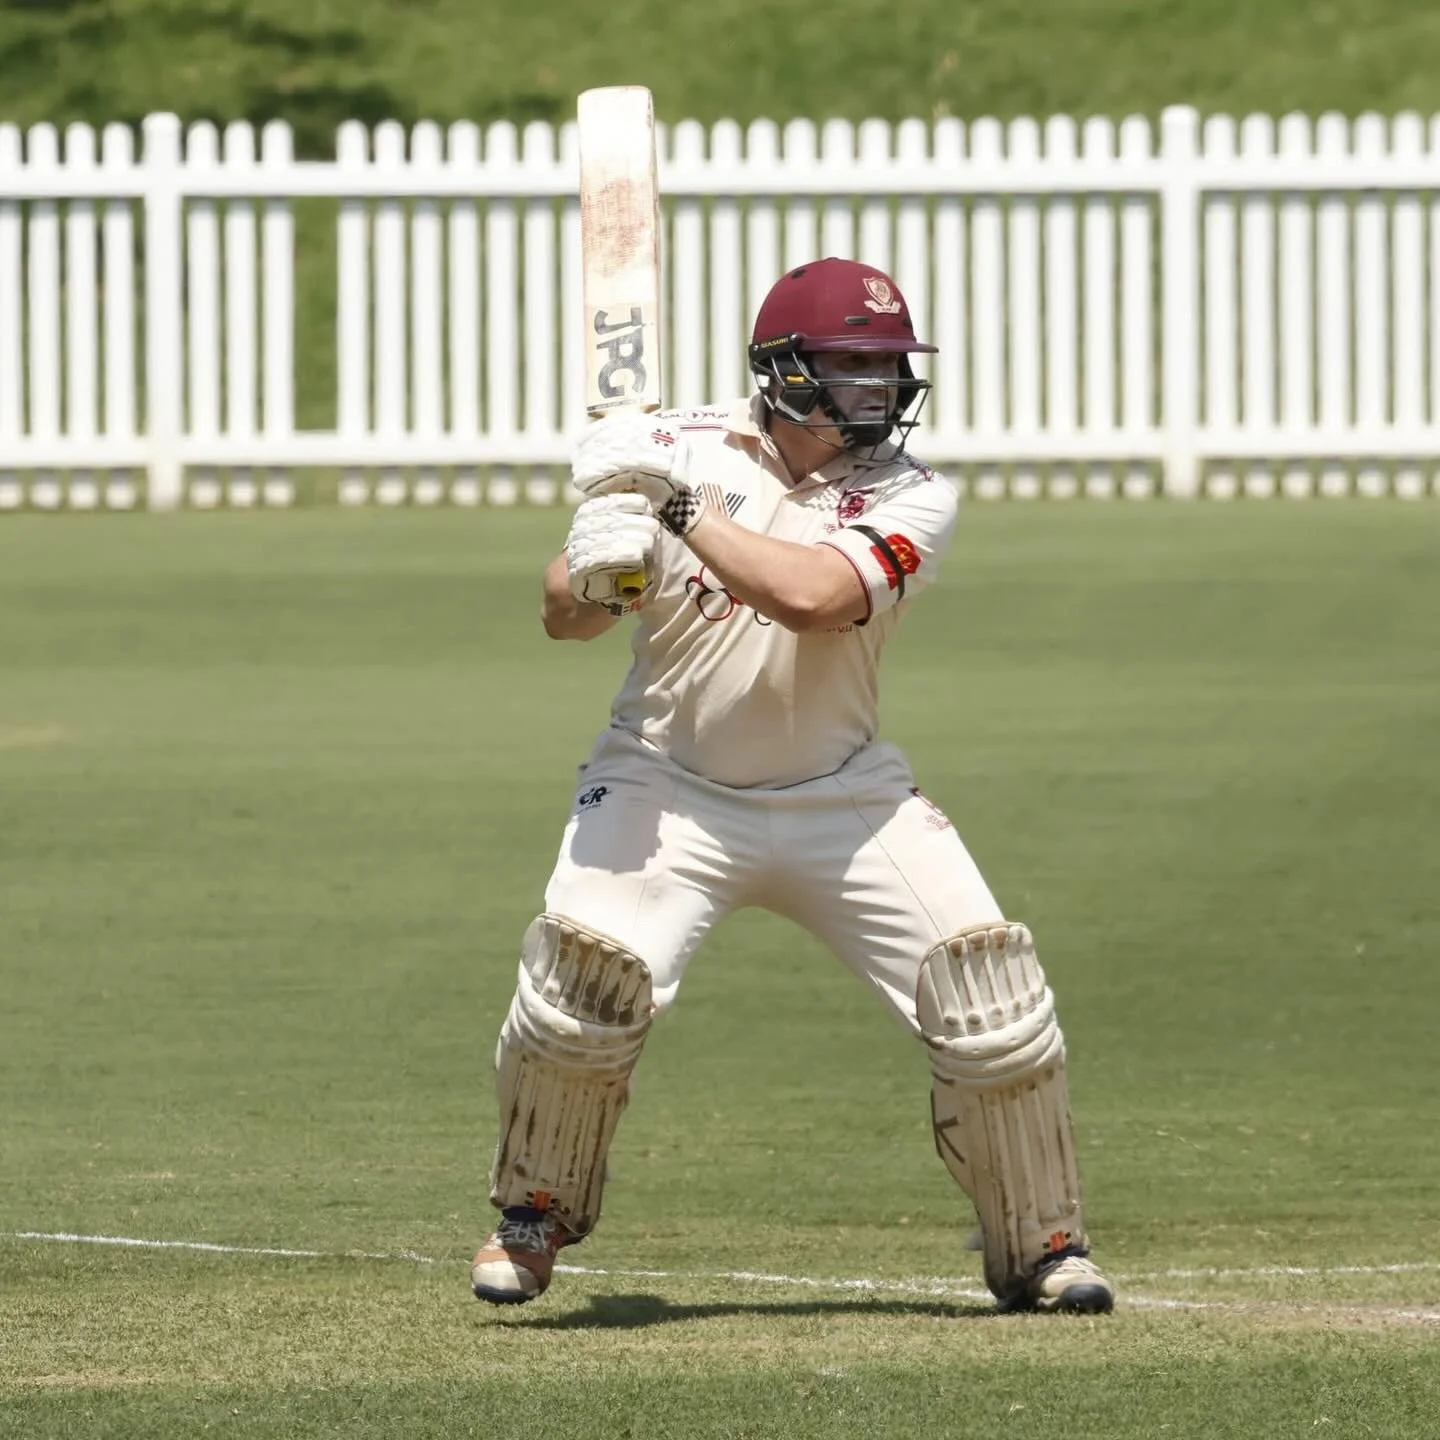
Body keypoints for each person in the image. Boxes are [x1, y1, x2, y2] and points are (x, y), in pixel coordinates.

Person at [469, 256, 1115, 1315]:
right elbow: (566, 615)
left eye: (888, 368)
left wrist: (672, 512)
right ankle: (532, 1215)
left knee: (992, 1005)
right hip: (665, 784)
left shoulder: (912, 491)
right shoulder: (670, 443)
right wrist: (599, 549)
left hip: (843, 796)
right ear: (783, 372)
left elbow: (815, 597)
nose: (878, 390)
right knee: (578, 996)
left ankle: (1043, 1245)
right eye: (851, 367)